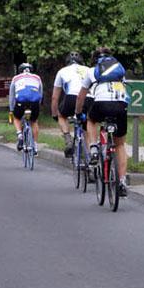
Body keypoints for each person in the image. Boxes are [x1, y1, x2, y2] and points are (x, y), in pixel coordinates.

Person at [76, 47, 129, 196]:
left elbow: (81, 97)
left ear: (95, 60)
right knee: (120, 145)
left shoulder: (92, 71)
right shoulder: (119, 69)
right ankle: (122, 181)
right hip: (120, 105)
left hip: (101, 103)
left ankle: (93, 148)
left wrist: (78, 113)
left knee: (91, 120)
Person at [51, 51, 93, 158]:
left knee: (61, 116)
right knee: (87, 123)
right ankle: (91, 154)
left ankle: (68, 139)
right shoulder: (88, 69)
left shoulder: (62, 71)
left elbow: (55, 97)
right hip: (89, 97)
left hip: (72, 97)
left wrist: (55, 114)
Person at [9, 63, 43, 153]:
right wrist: (37, 105)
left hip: (21, 101)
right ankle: (35, 146)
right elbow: (40, 93)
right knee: (34, 121)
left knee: (16, 118)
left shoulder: (16, 78)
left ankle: (20, 135)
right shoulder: (37, 78)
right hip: (34, 102)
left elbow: (12, 95)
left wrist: (11, 109)